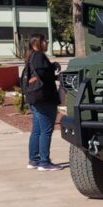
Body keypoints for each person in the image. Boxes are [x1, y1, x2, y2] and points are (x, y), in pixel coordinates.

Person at [24, 33, 63, 171]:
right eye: (45, 41)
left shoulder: (31, 56)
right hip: (44, 99)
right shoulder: (39, 56)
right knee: (46, 131)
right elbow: (44, 75)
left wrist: (52, 66)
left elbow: (42, 71)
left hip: (34, 98)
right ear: (37, 43)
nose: (47, 43)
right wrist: (56, 74)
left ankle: (34, 160)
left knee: (37, 131)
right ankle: (44, 162)